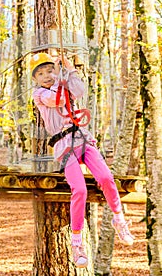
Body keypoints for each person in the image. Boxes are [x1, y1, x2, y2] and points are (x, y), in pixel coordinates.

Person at [30, 52, 134, 269]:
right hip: (64, 144)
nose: (47, 75)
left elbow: (78, 91)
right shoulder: (39, 94)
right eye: (41, 73)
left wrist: (70, 70)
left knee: (106, 177)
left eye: (49, 70)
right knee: (79, 190)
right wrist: (61, 76)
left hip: (82, 137)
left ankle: (119, 219)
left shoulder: (64, 82)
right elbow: (57, 98)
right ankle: (77, 244)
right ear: (36, 79)